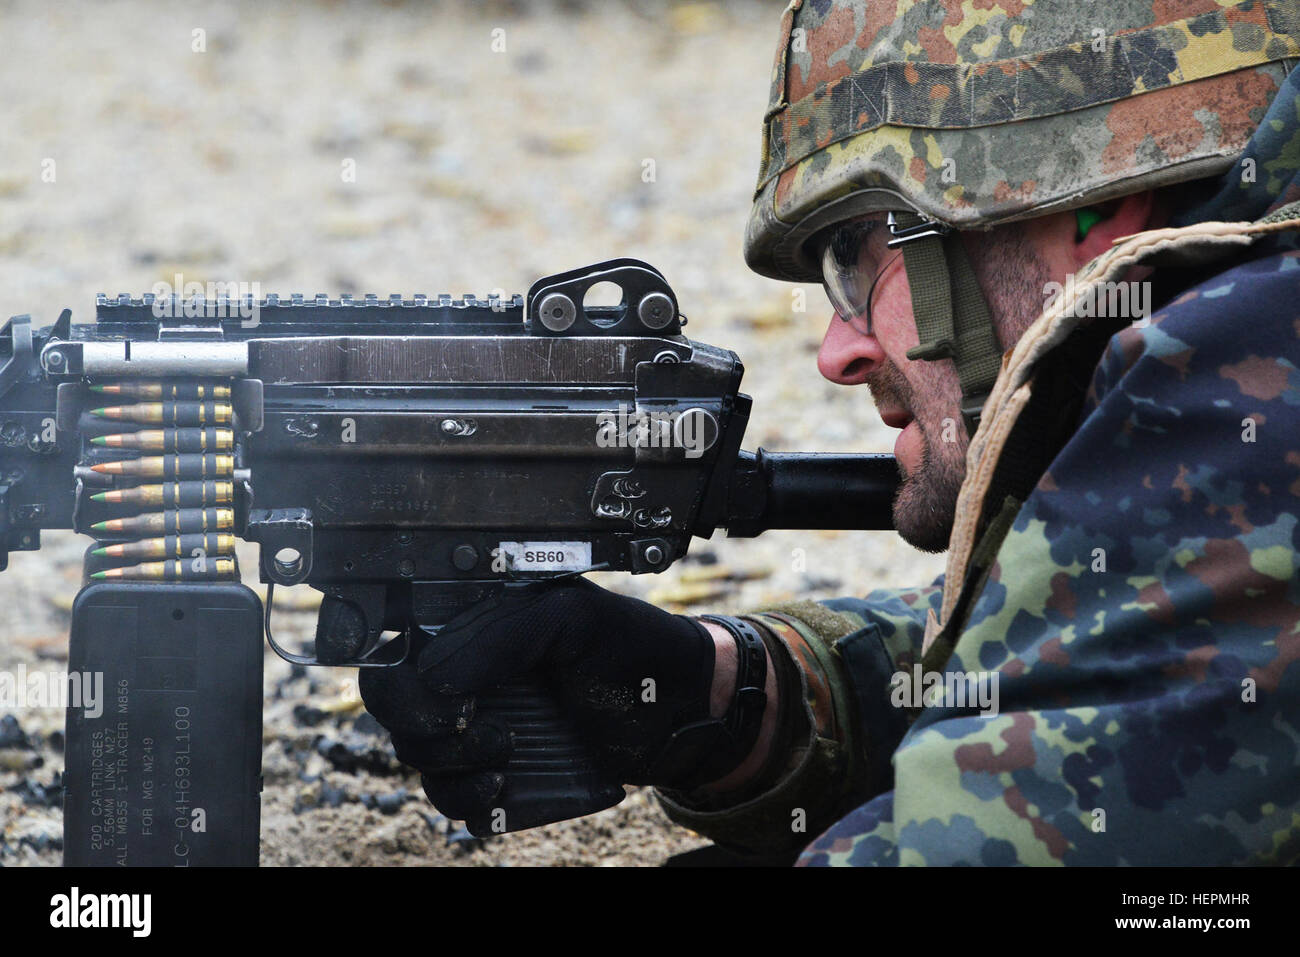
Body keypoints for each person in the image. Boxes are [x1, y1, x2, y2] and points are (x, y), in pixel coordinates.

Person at [361, 1, 1300, 865]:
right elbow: (1087, 680)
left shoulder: (1250, 359)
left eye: (857, 260)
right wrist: (730, 697)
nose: (837, 351)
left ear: (1099, 208)